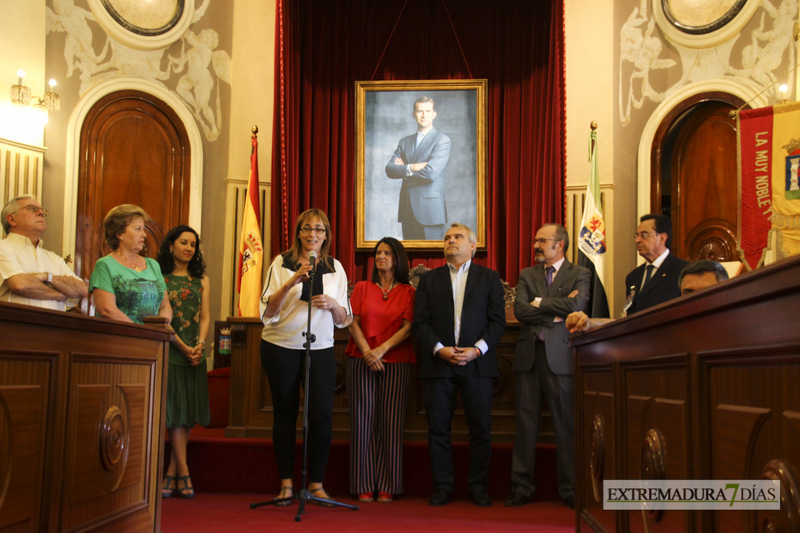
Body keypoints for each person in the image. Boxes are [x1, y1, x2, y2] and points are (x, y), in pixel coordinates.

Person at [259, 208, 352, 506]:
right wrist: (291, 282)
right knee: (285, 414)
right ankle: (286, 483)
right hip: (281, 346)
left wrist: (334, 304)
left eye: (320, 229)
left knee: (321, 416)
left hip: (320, 348)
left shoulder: (335, 267)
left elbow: (344, 319)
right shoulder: (281, 263)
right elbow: (267, 313)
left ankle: (317, 484)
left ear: (326, 235)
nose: (313, 234)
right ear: (298, 232)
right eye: (308, 228)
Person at [414, 223, 506, 507]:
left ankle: (478, 487)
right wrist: (439, 349)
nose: (450, 241)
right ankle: (443, 486)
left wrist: (476, 351)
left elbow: (497, 322)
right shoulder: (429, 280)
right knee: (438, 429)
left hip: (477, 364)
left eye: (457, 237)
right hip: (439, 364)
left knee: (480, 430)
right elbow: (421, 322)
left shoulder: (489, 278)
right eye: (447, 238)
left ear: (473, 246)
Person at [505, 223, 590, 509]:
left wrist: (540, 304)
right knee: (525, 425)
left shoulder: (580, 273)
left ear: (560, 245)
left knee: (566, 426)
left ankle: (570, 490)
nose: (536, 246)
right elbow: (520, 311)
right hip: (529, 357)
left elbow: (578, 307)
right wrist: (555, 307)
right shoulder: (528, 274)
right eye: (536, 240)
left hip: (561, 358)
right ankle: (521, 488)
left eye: (542, 241)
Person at [346, 237, 415, 503]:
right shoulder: (362, 287)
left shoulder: (408, 292)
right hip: (361, 358)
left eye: (387, 253)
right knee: (362, 424)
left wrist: (381, 351)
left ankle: (387, 484)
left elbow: (409, 328)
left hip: (395, 360)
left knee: (391, 424)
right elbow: (352, 322)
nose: (381, 256)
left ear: (397, 259)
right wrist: (368, 352)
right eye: (378, 252)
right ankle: (363, 483)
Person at [156, 225, 211, 500]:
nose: (189, 248)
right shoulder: (159, 276)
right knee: (174, 412)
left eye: (193, 244)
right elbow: (160, 318)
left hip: (194, 353)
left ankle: (171, 471)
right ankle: (184, 471)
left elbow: (205, 316)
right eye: (183, 243)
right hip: (170, 348)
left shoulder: (201, 279)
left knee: (187, 413)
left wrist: (199, 345)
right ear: (171, 245)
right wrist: (183, 346)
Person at [567, 259, 730, 333]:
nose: (696, 299)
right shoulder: (673, 325)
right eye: (689, 293)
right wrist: (589, 323)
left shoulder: (739, 328)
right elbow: (633, 322)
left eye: (705, 292)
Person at [0, 195, 87, 310]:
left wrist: (47, 277)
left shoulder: (54, 258)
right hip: (16, 326)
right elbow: (20, 284)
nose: (40, 213)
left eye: (42, 210)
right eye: (32, 209)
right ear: (12, 219)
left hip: (54, 326)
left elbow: (81, 289)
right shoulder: (3, 248)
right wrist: (60, 294)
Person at [89, 204, 172, 324]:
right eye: (138, 229)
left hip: (153, 340)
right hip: (121, 339)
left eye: (143, 229)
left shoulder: (153, 265)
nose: (144, 234)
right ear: (119, 233)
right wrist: (140, 333)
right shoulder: (105, 265)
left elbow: (165, 306)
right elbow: (106, 309)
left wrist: (161, 330)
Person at [385, 96, 451, 240]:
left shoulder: (442, 140)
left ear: (434, 114)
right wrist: (412, 167)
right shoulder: (404, 142)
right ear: (413, 114)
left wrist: (403, 170)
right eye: (420, 111)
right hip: (407, 208)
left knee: (432, 260)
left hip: (430, 211)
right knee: (408, 259)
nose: (423, 115)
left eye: (427, 111)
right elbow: (389, 169)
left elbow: (430, 173)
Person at [625, 214, 689, 314]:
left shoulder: (684, 271)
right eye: (636, 235)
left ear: (662, 238)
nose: (637, 240)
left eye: (644, 235)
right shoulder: (633, 277)